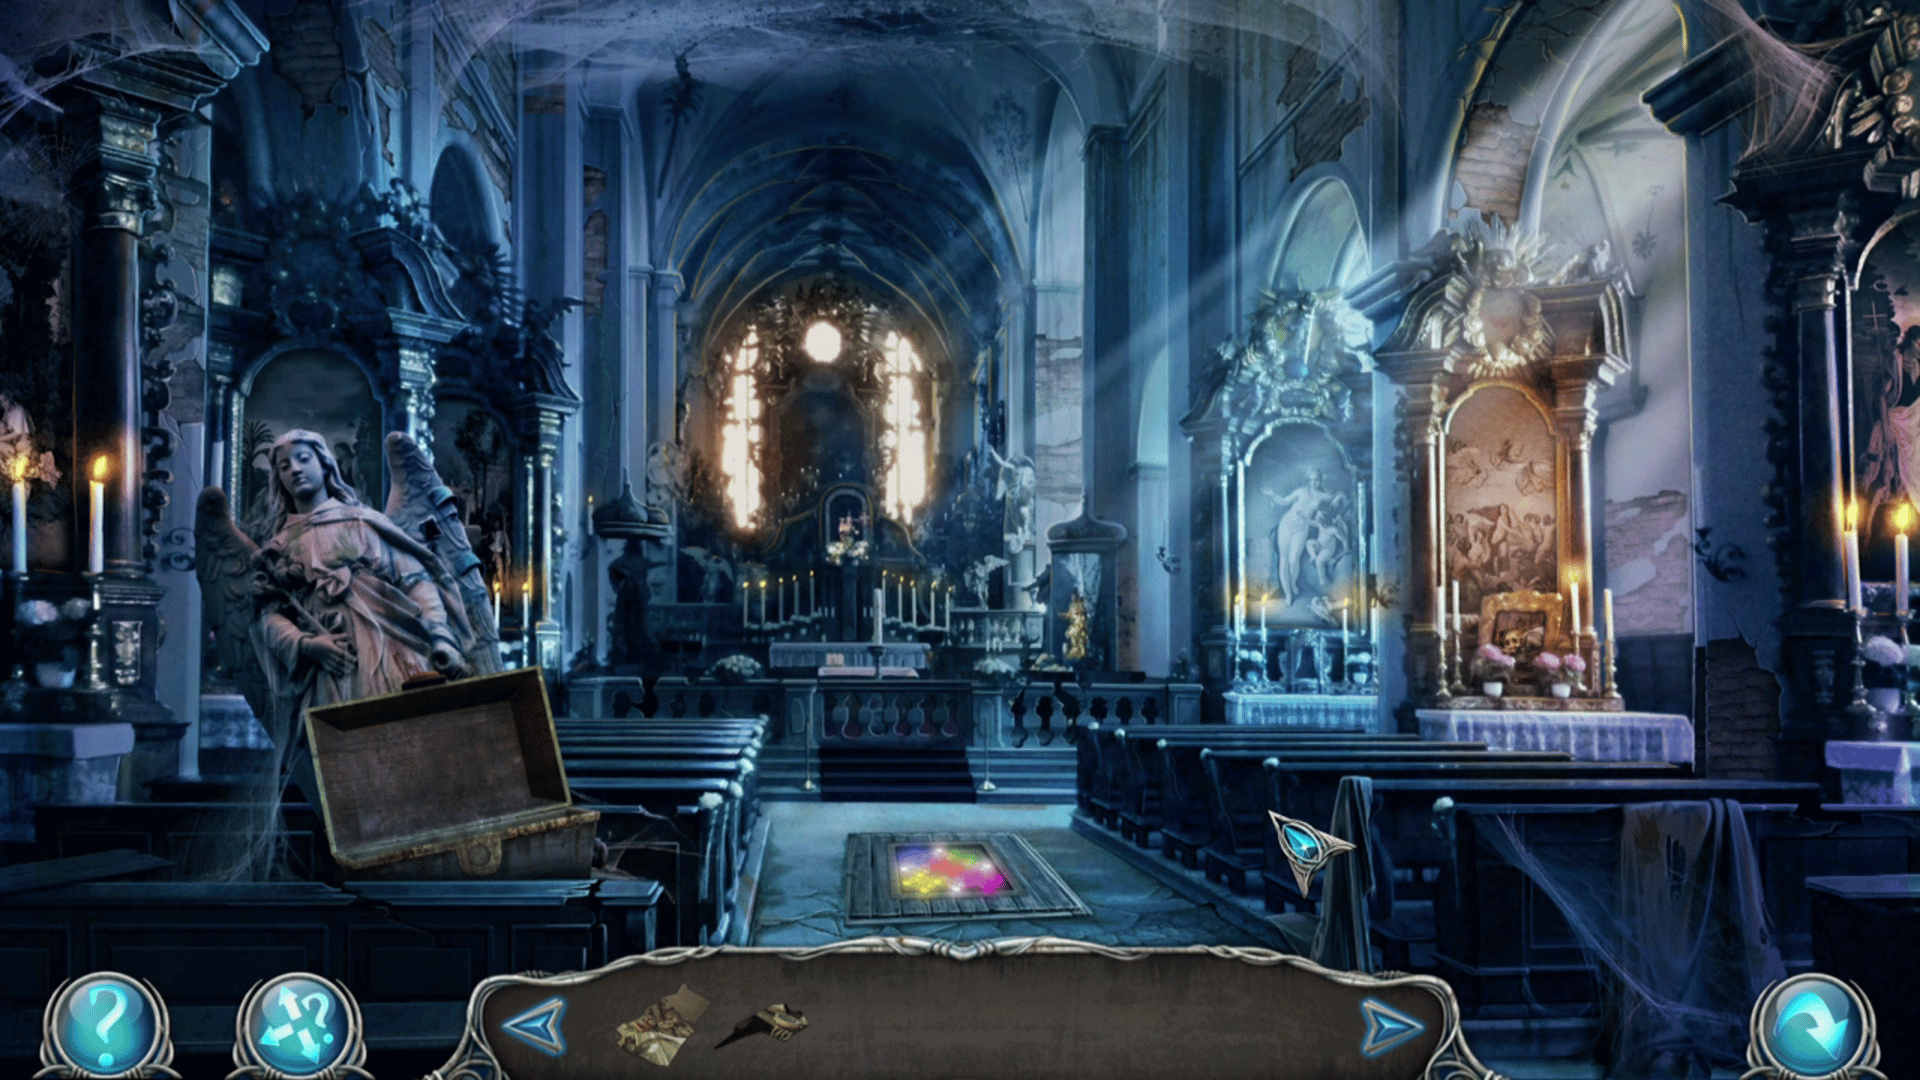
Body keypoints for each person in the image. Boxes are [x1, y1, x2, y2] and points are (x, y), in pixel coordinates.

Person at [251, 431, 471, 735]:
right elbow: (267, 616)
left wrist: (440, 637)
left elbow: (416, 581)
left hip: (394, 649)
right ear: (279, 479)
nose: (295, 470)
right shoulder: (280, 546)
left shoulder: (363, 523)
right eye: (284, 466)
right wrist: (307, 645)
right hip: (335, 666)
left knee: (409, 738)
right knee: (349, 746)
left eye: (303, 459)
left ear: (325, 464)